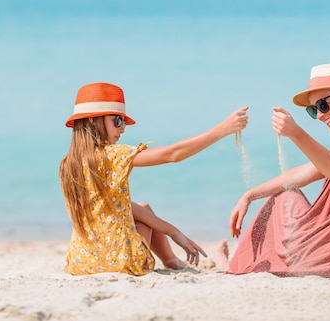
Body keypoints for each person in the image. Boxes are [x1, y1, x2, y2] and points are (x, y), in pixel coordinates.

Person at [214, 64, 330, 280]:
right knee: (288, 190)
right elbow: (297, 175)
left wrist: (296, 133)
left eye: (322, 105)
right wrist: (249, 196)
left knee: (285, 198)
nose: (320, 115)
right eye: (313, 110)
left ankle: (231, 265)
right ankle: (233, 262)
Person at [59, 82, 248, 276]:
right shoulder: (114, 155)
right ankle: (171, 260)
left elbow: (114, 205)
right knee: (145, 214)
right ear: (92, 120)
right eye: (117, 121)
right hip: (123, 262)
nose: (122, 129)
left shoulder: (68, 165)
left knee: (143, 208)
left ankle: (171, 261)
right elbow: (172, 154)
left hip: (80, 263)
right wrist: (223, 129)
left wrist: (172, 231)